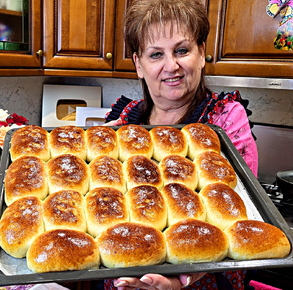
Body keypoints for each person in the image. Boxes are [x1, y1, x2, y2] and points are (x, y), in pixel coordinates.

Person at [103, 0, 258, 289]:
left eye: (182, 50)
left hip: (204, 275)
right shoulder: (123, 121)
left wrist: (188, 271)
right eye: (156, 54)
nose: (171, 66)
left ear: (201, 54)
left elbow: (238, 208)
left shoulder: (224, 118)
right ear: (139, 64)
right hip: (125, 266)